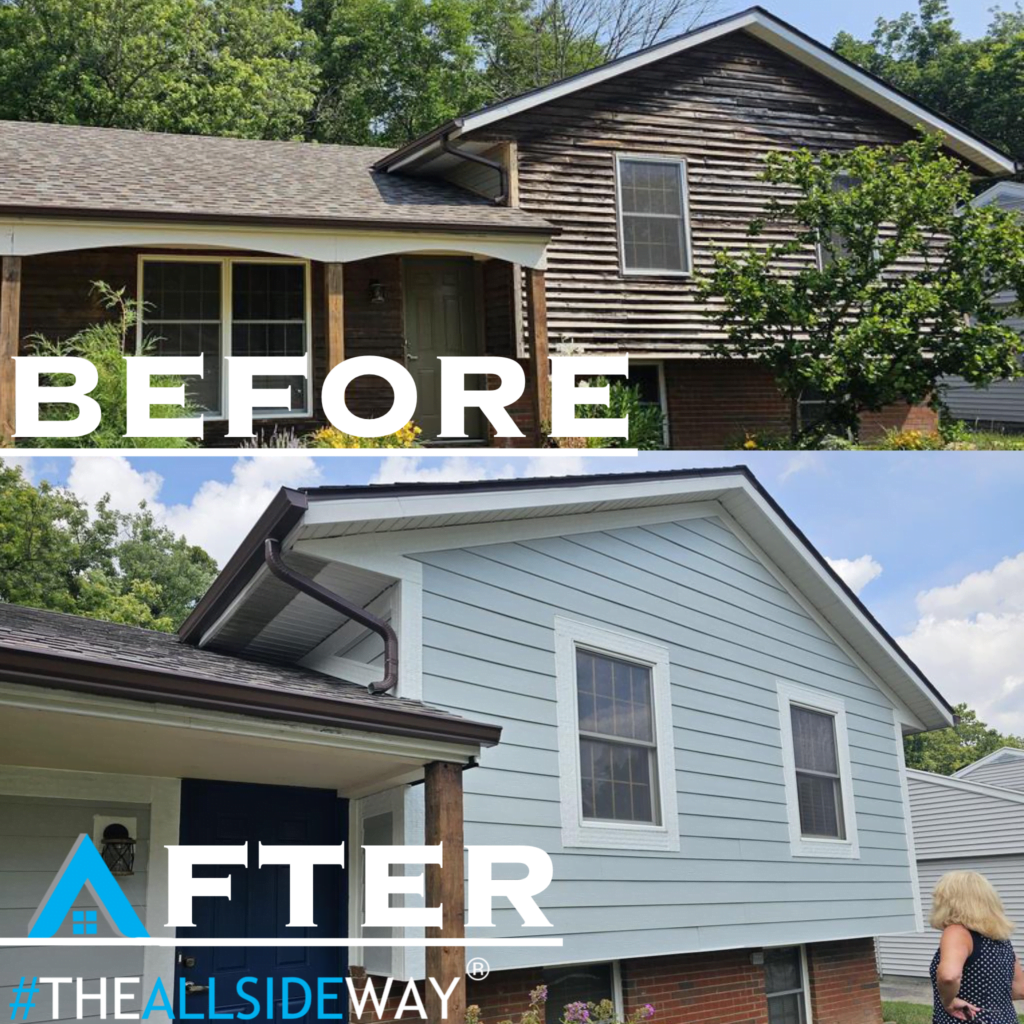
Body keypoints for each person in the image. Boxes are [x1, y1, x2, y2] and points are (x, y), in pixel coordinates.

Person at [930, 870, 1024, 1021]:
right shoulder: (1001, 939)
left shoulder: (957, 932)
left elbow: (949, 976)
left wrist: (948, 1002)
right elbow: (1020, 990)